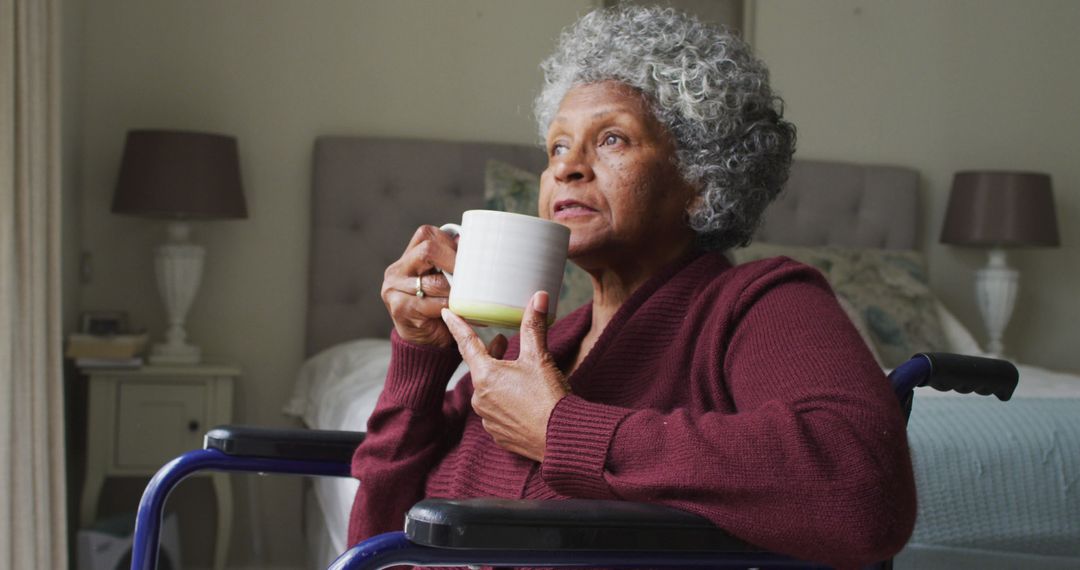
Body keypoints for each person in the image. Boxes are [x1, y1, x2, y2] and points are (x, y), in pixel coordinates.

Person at [348, 5, 916, 568]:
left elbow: (865, 489)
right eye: (557, 148)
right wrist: (418, 361)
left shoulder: (758, 302)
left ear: (701, 178)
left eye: (613, 139)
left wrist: (560, 430)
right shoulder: (538, 348)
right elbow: (377, 543)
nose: (568, 168)